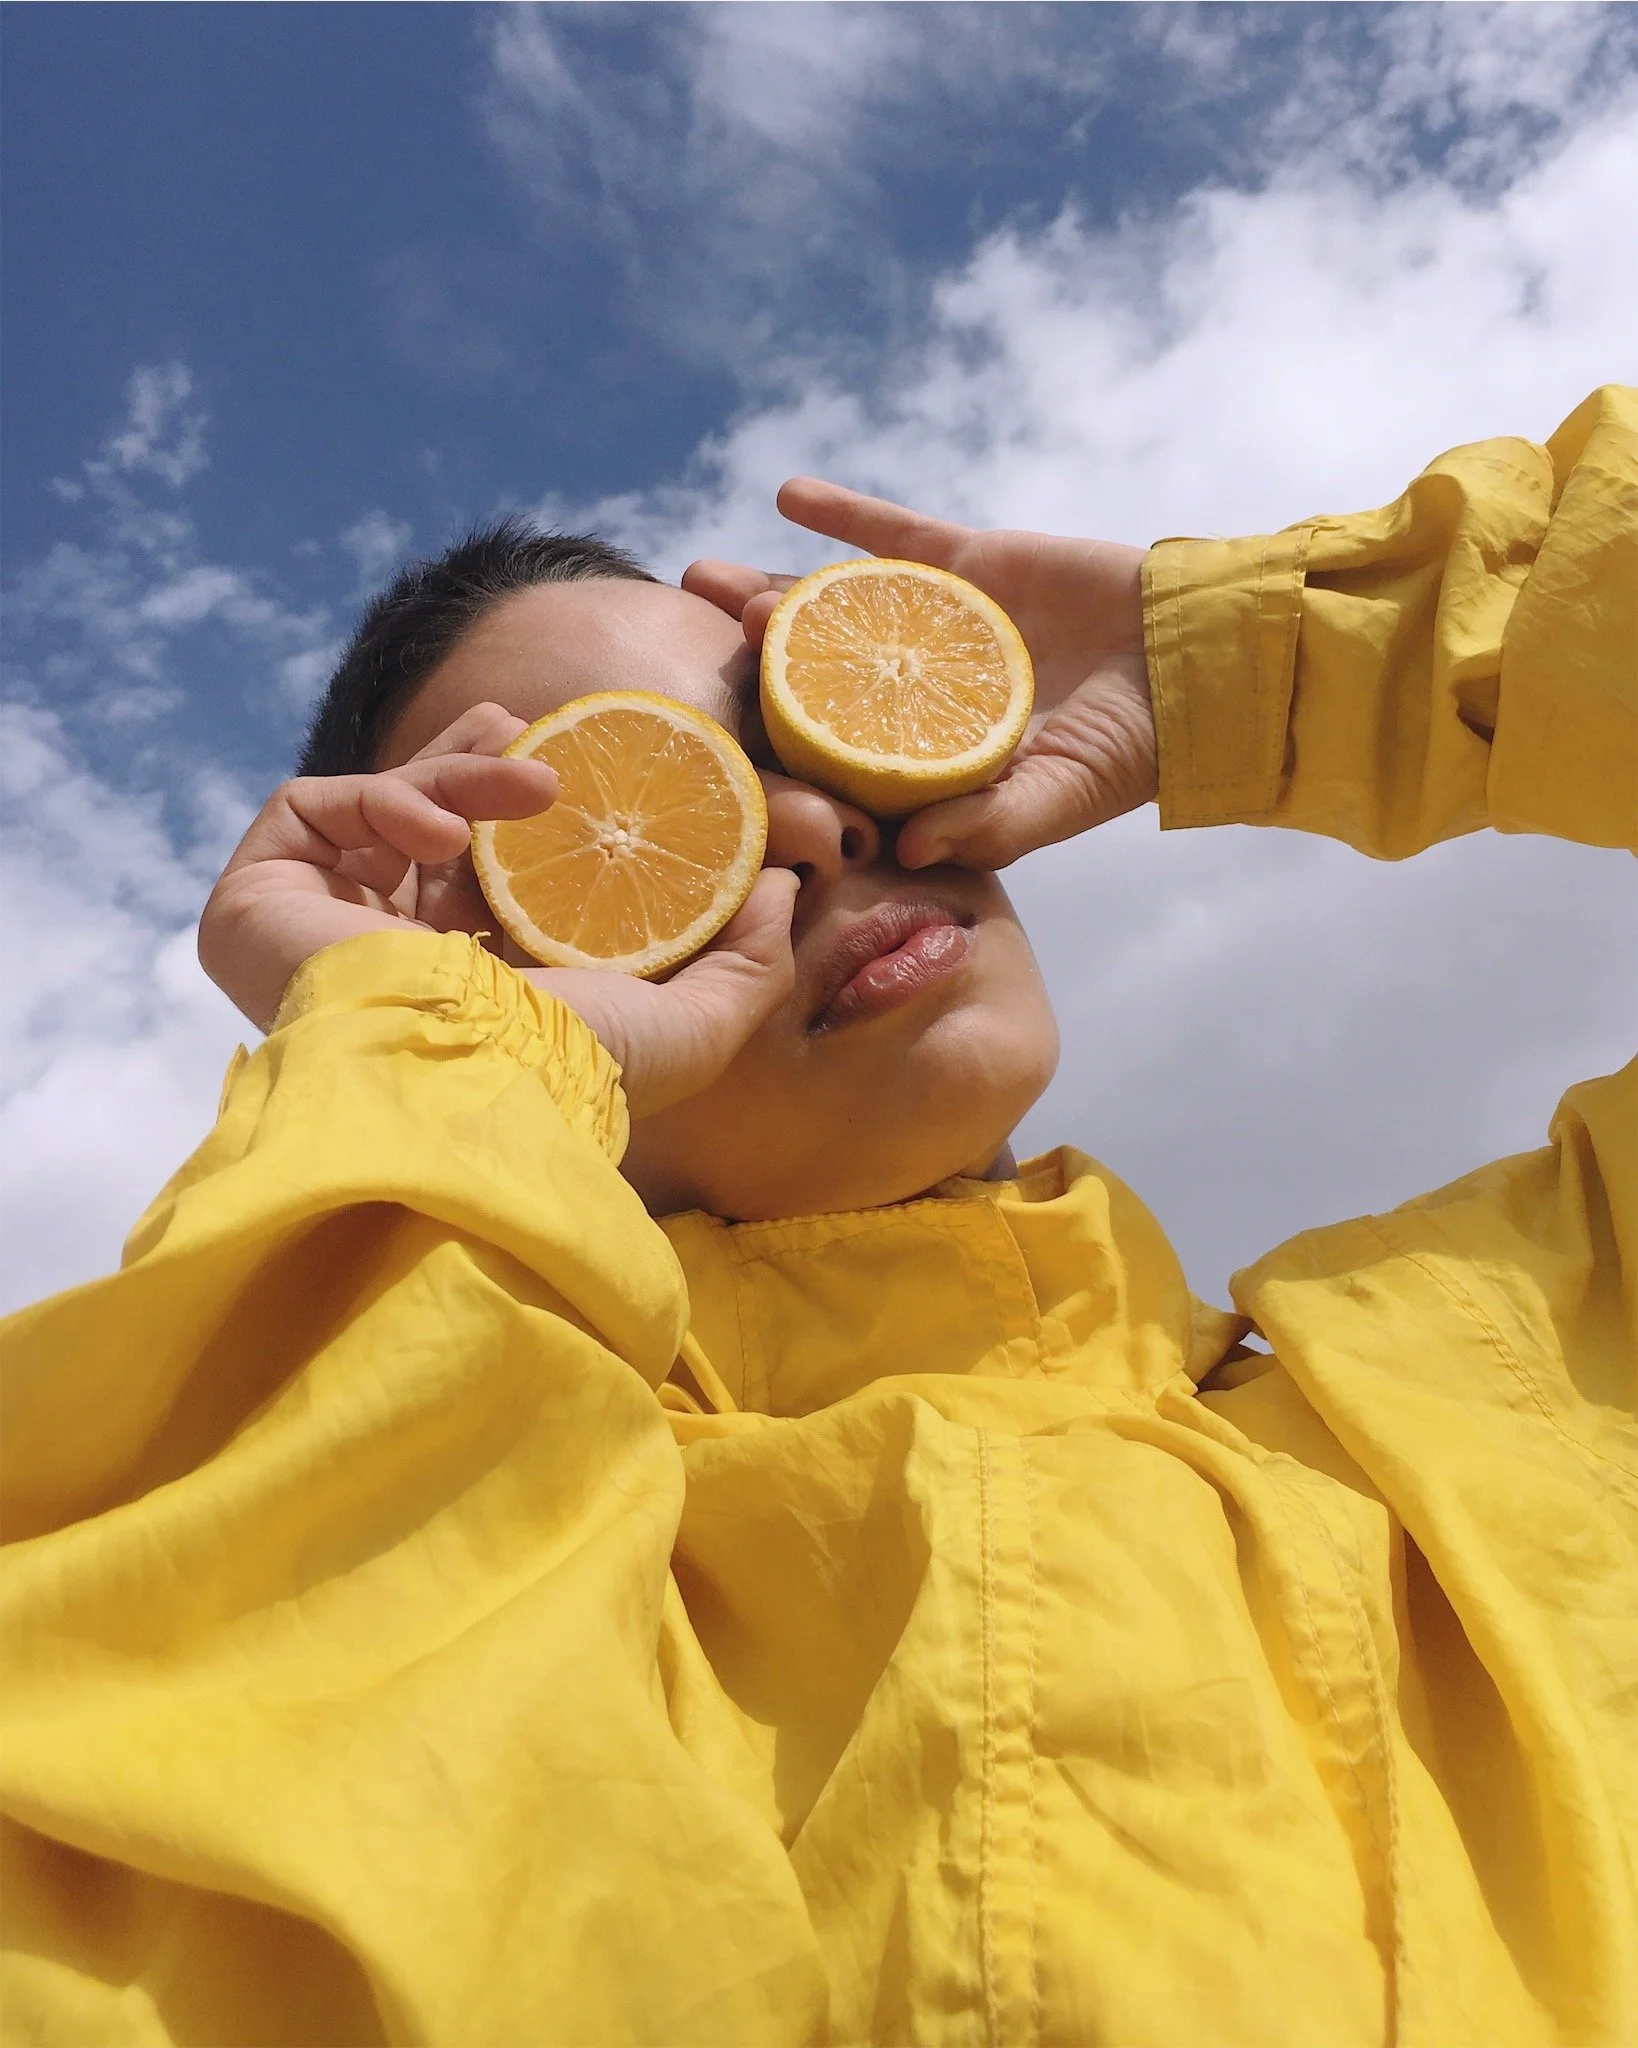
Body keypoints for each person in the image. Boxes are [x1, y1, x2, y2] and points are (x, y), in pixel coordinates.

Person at [0, 387, 1631, 2048]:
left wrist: (1263, 656)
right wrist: (414, 1047)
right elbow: (148, 1901)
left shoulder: (1531, 1349)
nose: (813, 820)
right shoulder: (541, 1581)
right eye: (624, 821)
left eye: (790, 730)